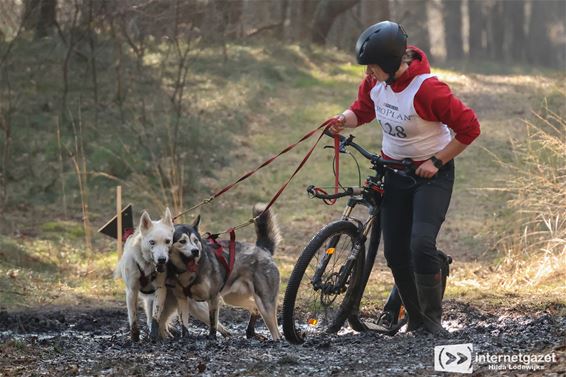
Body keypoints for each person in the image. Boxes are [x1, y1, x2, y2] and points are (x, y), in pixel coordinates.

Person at [328, 20, 480, 335]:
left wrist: (437, 161)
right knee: (395, 253)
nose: (368, 72)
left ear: (389, 63)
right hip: (393, 173)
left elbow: (469, 128)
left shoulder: (428, 89)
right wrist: (344, 119)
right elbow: (364, 110)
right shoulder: (374, 83)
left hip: (431, 176)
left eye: (372, 66)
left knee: (421, 244)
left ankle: (432, 321)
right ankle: (415, 320)